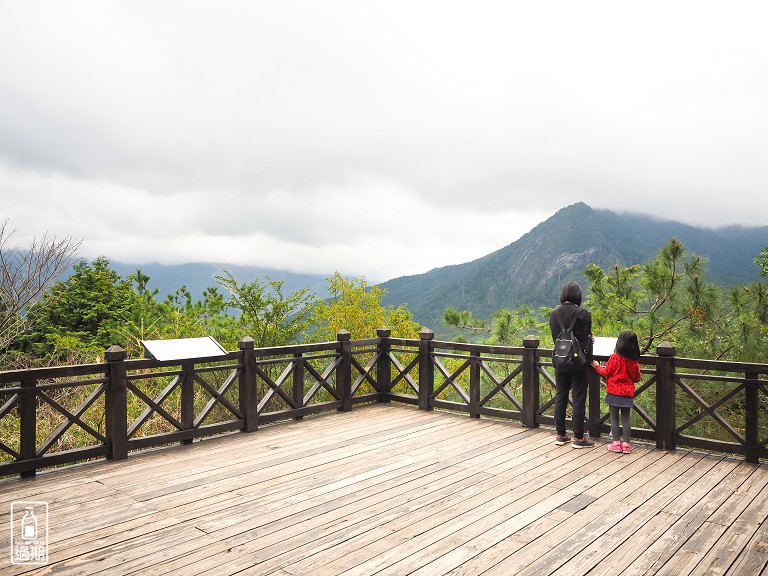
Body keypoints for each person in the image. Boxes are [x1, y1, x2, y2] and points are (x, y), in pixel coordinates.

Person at [549, 281, 595, 448]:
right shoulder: (583, 313)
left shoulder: (554, 314)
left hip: (560, 360)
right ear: (578, 296)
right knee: (579, 398)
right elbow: (586, 341)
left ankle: (560, 435)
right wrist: (590, 360)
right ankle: (579, 438)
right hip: (578, 362)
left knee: (560, 395)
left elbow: (556, 338)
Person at [592, 330, 641, 454]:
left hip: (614, 392)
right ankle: (626, 445)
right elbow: (637, 378)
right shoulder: (634, 361)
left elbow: (606, 372)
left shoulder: (615, 357)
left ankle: (616, 443)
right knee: (626, 419)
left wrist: (597, 366)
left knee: (614, 418)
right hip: (627, 393)